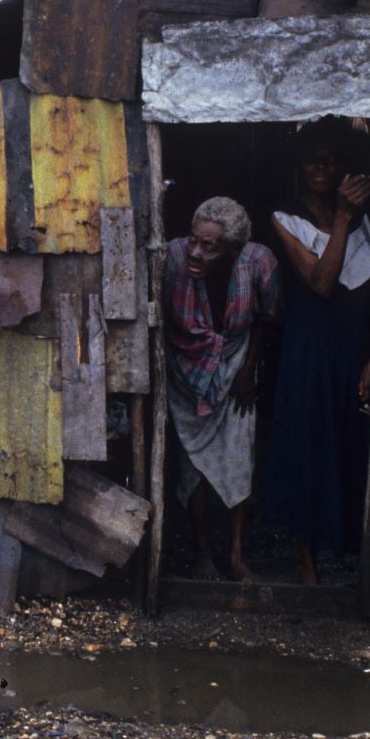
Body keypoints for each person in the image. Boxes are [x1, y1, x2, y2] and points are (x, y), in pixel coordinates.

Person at [265, 132, 370, 584]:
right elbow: (322, 283)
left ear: (344, 170)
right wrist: (343, 217)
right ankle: (307, 564)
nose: (321, 165)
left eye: (330, 160)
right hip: (310, 351)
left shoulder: (369, 223)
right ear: (299, 165)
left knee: (351, 443)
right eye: (312, 158)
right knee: (309, 446)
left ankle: (351, 553)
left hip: (354, 352)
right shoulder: (284, 219)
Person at [163, 196, 280, 582]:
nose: (196, 252)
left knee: (238, 457)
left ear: (233, 250)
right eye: (194, 240)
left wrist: (248, 369)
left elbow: (267, 318)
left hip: (235, 371)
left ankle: (236, 555)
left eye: (209, 247)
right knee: (193, 466)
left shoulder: (258, 262)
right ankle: (201, 553)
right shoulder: (169, 259)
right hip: (186, 376)